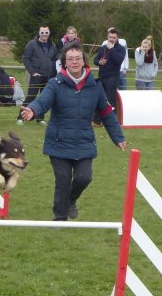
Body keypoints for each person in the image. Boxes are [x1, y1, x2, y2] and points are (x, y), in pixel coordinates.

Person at [20, 41, 126, 221]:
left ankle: (70, 200)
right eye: (70, 59)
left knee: (84, 178)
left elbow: (107, 113)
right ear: (64, 63)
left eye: (78, 58)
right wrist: (33, 109)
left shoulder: (95, 86)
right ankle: (59, 219)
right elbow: (43, 100)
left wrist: (118, 138)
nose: (74, 62)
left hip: (84, 142)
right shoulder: (55, 84)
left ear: (84, 61)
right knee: (62, 179)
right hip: (58, 141)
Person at [18, 25, 59, 125]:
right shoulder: (32, 44)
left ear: (49, 33)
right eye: (42, 32)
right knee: (31, 96)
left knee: (44, 98)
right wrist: (32, 72)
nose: (44, 34)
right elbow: (26, 58)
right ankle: (20, 117)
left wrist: (54, 73)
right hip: (36, 76)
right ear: (39, 33)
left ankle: (40, 119)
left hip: (48, 76)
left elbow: (56, 59)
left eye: (46, 32)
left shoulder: (52, 45)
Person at [93, 27, 126, 125]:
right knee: (99, 98)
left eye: (113, 37)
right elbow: (95, 60)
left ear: (117, 38)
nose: (111, 39)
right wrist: (99, 62)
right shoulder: (103, 47)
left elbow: (118, 61)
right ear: (107, 36)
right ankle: (97, 121)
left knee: (110, 99)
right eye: (110, 37)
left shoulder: (121, 49)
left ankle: (111, 121)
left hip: (113, 77)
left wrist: (112, 49)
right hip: (102, 76)